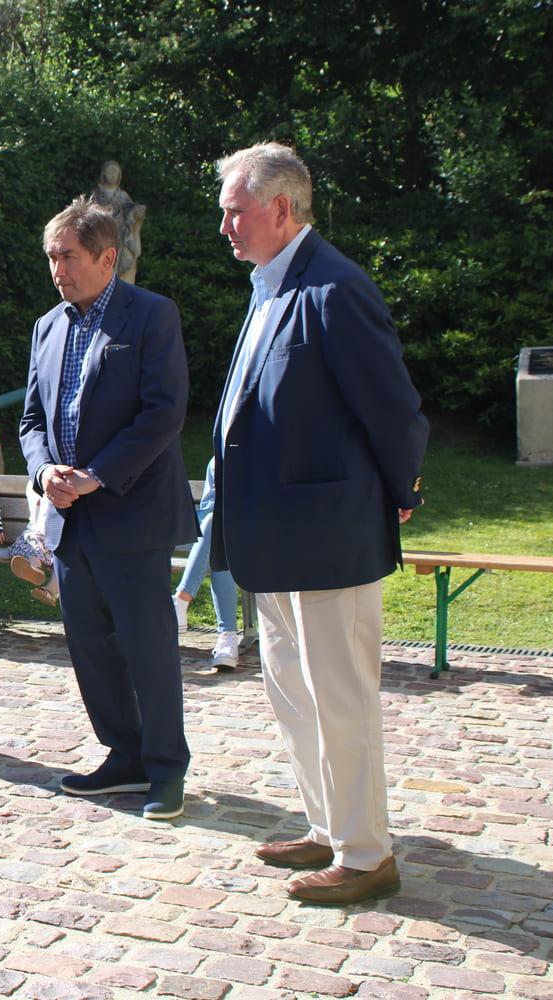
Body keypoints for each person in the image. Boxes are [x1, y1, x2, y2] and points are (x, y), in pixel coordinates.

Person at [211, 142, 427, 904]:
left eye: (234, 211)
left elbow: (392, 407)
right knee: (292, 691)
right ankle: (327, 826)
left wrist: (402, 487)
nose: (226, 227)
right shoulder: (269, 284)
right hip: (273, 534)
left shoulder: (334, 286)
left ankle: (368, 855)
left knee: (341, 696)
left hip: (329, 533)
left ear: (279, 209)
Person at [19, 197, 195, 821]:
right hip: (69, 516)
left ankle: (167, 769)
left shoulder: (150, 316)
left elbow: (163, 412)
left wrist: (97, 475)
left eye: (68, 255)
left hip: (131, 510)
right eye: (51, 257)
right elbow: (32, 418)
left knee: (147, 646)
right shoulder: (47, 326)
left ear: (107, 257)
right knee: (91, 645)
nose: (57, 268)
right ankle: (124, 755)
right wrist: (44, 472)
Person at [172, 458, 241, 670]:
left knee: (217, 533)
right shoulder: (220, 459)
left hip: (260, 537)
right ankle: (227, 637)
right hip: (224, 540)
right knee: (218, 536)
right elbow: (209, 509)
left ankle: (181, 600)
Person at [8, 481, 59, 607]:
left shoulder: (41, 482)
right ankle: (35, 571)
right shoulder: (37, 482)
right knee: (32, 543)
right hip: (43, 535)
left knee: (65, 557)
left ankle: (43, 582)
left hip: (55, 538)